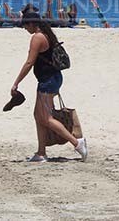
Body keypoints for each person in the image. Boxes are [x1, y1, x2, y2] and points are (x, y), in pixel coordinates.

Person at [10, 12, 88, 162]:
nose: (25, 29)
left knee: (46, 118)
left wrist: (16, 82)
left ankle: (77, 143)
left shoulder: (37, 38)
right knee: (38, 116)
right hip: (53, 78)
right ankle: (41, 153)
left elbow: (29, 62)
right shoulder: (46, 34)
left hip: (48, 81)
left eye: (26, 25)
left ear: (32, 24)